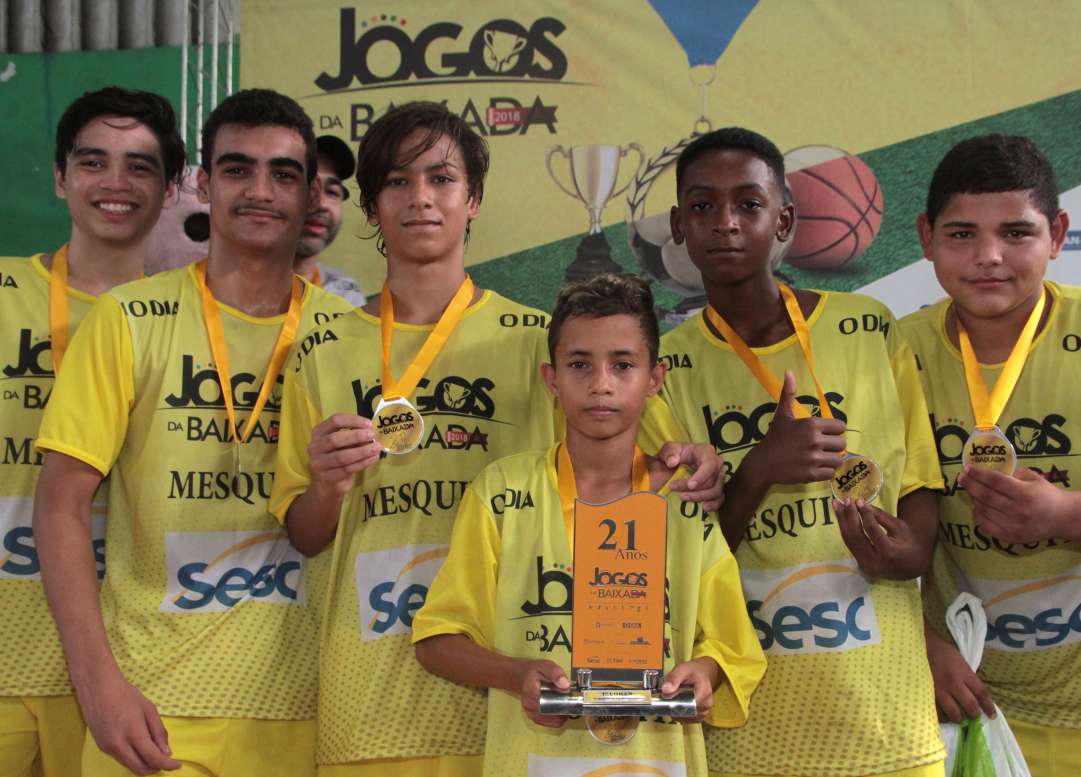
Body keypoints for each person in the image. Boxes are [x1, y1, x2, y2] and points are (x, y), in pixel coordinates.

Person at [269, 101, 725, 777]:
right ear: (369, 207)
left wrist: (703, 461)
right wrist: (331, 483)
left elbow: (665, 463)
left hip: (523, 701)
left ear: (473, 198)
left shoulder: (536, 341)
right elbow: (305, 533)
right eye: (397, 181)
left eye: (441, 178)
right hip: (370, 701)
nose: (420, 197)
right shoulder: (321, 344)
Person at [33, 88, 353, 777]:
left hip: (309, 711)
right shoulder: (129, 318)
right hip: (152, 708)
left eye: (283, 174)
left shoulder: (350, 335)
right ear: (203, 183)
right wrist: (97, 684)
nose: (260, 191)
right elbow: (59, 505)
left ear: (311, 195)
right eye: (237, 169)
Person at [648, 126, 946, 777]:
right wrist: (757, 471)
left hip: (885, 715)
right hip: (751, 725)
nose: (725, 223)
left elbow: (920, 484)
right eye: (702, 206)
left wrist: (913, 551)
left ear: (784, 219)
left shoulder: (867, 326)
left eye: (748, 204)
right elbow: (674, 565)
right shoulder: (663, 369)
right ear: (678, 224)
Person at [902, 133, 1081, 776]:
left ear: (1057, 234)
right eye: (961, 235)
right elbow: (866, 527)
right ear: (926, 237)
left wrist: (1065, 513)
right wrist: (919, 645)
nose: (988, 257)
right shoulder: (897, 351)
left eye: (1016, 232)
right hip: (972, 710)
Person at [411, 273, 765, 776]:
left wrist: (704, 673)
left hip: (653, 763)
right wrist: (516, 674)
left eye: (623, 365)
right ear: (551, 378)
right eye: (580, 364)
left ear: (655, 379)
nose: (601, 383)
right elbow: (437, 640)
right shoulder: (501, 494)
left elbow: (734, 649)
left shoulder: (682, 504)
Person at [0, 86, 184, 777]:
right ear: (58, 176)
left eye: (140, 166)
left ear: (170, 191)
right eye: (93, 162)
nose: (115, 183)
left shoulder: (184, 324)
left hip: (128, 667)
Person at [294, 134, 367, 306]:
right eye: (307, 188)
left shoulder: (348, 296)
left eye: (332, 192)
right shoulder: (230, 290)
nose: (320, 204)